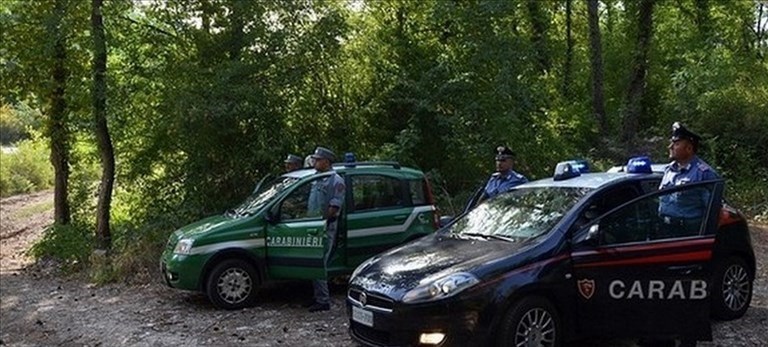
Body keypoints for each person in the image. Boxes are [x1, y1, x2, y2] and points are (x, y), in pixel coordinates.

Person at [658, 122, 720, 234]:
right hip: (665, 229)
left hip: (688, 232)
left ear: (689, 148)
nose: (670, 147)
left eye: (676, 144)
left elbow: (713, 210)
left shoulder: (703, 174)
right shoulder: (669, 170)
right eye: (671, 143)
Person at [306, 146, 345, 312]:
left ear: (327, 162)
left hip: (325, 227)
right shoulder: (316, 178)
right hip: (312, 226)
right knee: (312, 263)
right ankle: (316, 296)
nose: (315, 162)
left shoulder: (336, 181)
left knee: (319, 263)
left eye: (318, 159)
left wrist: (320, 222)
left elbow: (334, 208)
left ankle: (323, 301)